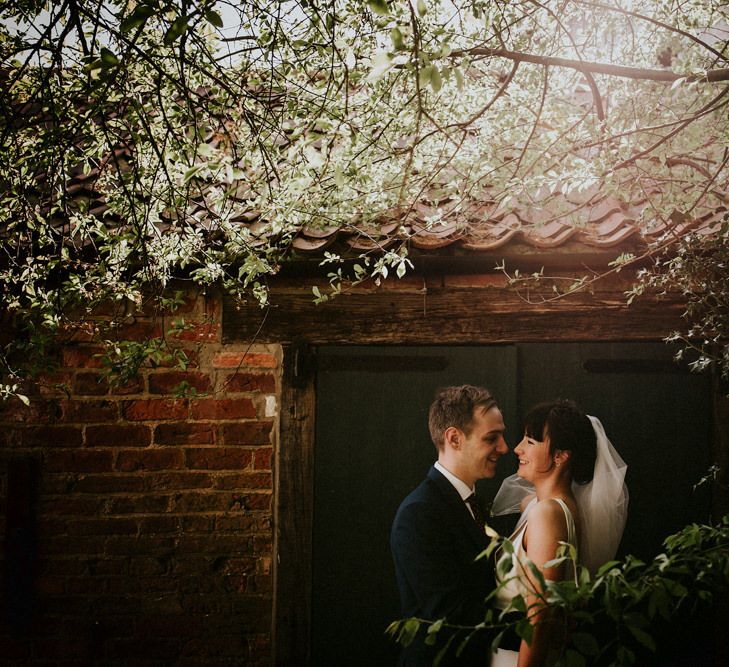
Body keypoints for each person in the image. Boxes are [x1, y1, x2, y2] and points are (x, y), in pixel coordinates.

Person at [490, 400, 628, 667]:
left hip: (520, 656)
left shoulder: (548, 514)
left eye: (530, 441)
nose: (517, 449)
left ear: (560, 456)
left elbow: (540, 615)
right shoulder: (546, 506)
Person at [390, 385, 510, 666]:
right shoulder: (419, 513)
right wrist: (534, 626)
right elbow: (450, 615)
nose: (504, 447)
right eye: (492, 438)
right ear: (454, 438)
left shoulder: (474, 503)